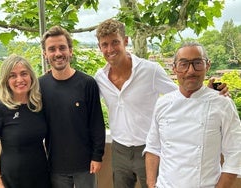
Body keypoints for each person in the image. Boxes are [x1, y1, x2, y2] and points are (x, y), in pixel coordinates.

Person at [94, 18, 229, 188]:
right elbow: (86, 105)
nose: (110, 49)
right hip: (119, 149)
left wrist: (208, 92)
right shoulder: (100, 78)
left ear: (126, 41)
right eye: (104, 45)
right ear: (99, 47)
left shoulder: (150, 70)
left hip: (149, 150)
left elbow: (182, 94)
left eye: (115, 42)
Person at [143, 42, 241, 188]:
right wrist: (151, 184)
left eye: (197, 63)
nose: (190, 71)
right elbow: (153, 147)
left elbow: (235, 153)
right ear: (174, 68)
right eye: (183, 64)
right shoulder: (163, 103)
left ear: (207, 65)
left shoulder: (222, 104)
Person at [39, 26, 106, 188]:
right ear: (45, 54)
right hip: (55, 166)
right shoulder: (40, 85)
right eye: (52, 49)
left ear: (70, 51)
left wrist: (97, 156)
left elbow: (96, 123)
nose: (58, 53)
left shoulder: (87, 83)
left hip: (86, 165)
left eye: (62, 47)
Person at [0, 54, 51, 188]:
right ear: (6, 80)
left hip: (41, 176)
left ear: (31, 76)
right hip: (12, 179)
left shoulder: (38, 104)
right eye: (13, 75)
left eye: (24, 73)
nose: (19, 79)